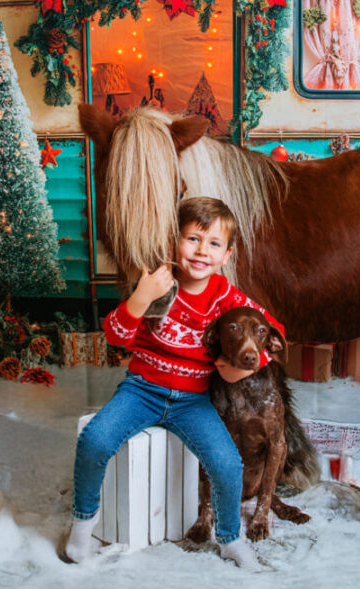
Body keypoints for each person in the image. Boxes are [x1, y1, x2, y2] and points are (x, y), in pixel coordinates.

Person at [63, 197, 284, 569]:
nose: (201, 251)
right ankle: (81, 530)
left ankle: (230, 539)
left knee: (227, 463)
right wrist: (140, 298)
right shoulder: (157, 282)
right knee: (95, 439)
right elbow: (115, 337)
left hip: (193, 400)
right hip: (142, 391)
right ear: (173, 243)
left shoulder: (226, 297)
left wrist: (242, 369)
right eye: (192, 239)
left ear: (226, 255)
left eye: (213, 244)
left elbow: (274, 333)